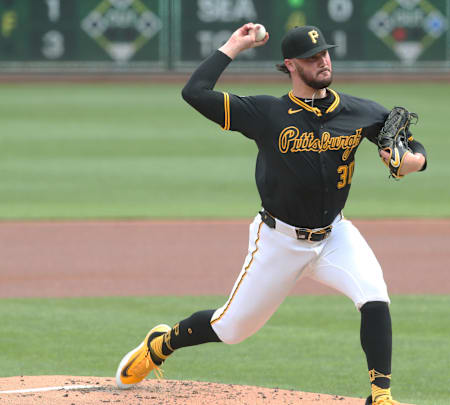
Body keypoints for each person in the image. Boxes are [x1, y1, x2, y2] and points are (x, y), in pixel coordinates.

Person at [115, 24, 427, 405]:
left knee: (375, 295)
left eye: (325, 53)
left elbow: (408, 144)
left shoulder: (359, 112)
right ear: (290, 65)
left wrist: (414, 160)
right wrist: (233, 46)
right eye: (312, 58)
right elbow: (194, 93)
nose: (323, 61)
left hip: (335, 236)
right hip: (279, 240)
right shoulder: (266, 113)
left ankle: (381, 397)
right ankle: (160, 345)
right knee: (231, 328)